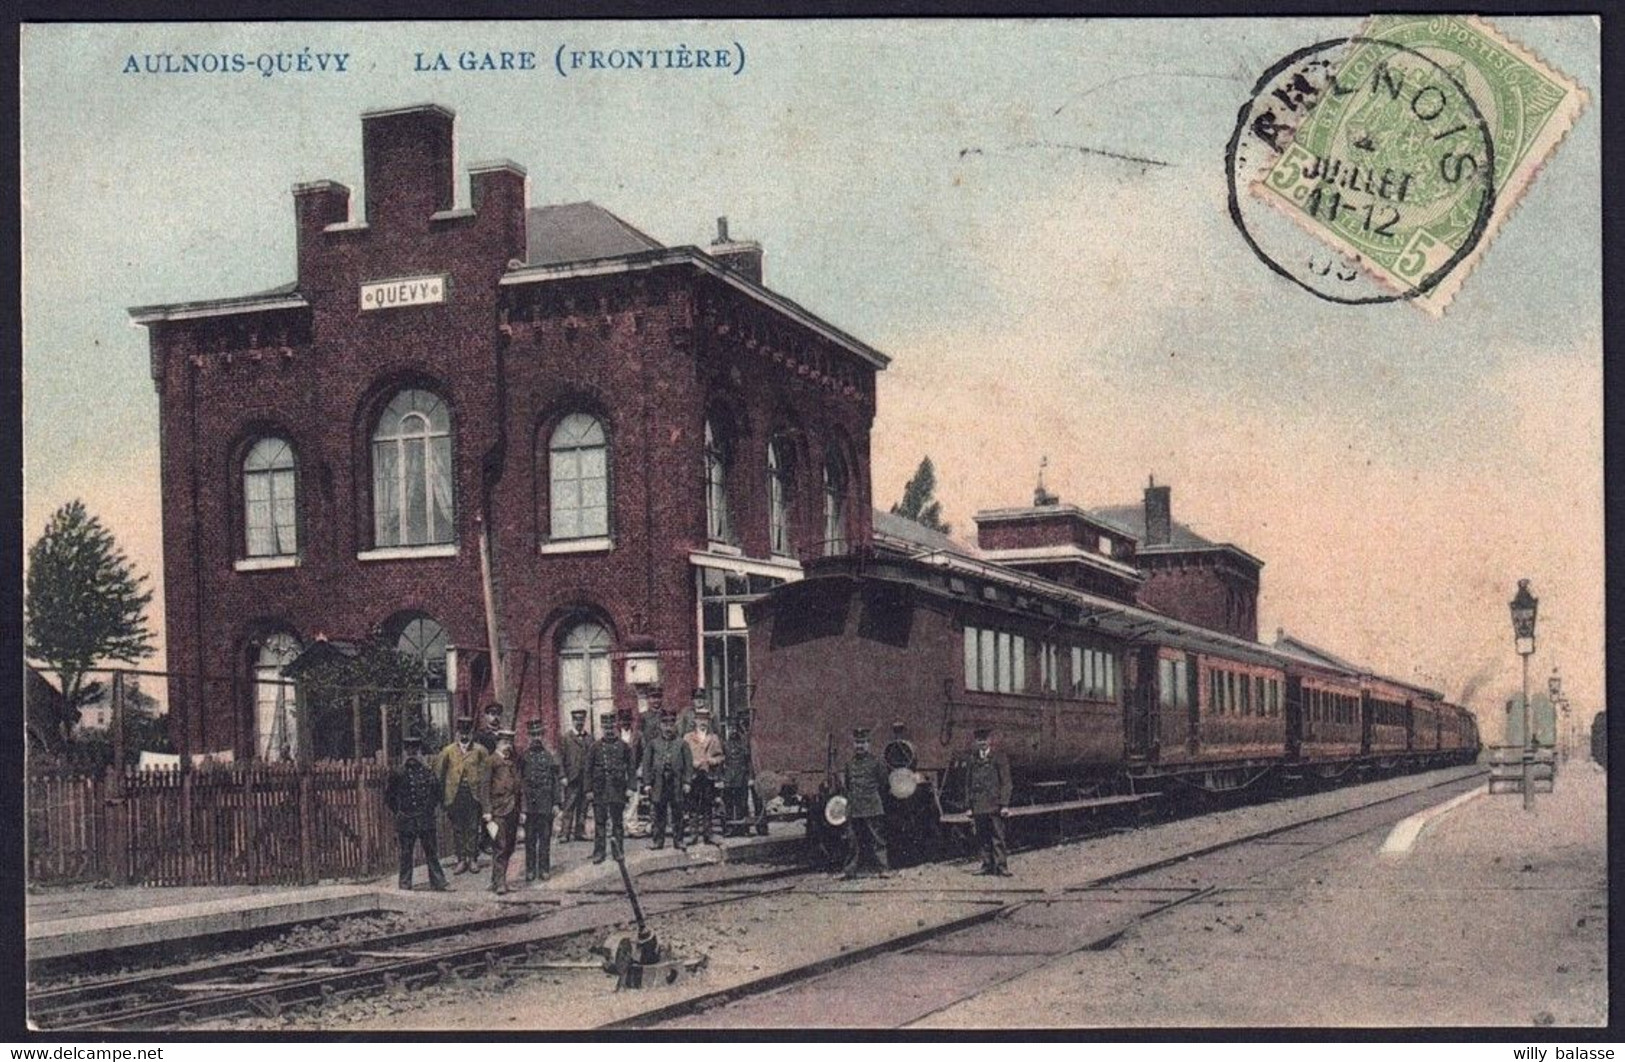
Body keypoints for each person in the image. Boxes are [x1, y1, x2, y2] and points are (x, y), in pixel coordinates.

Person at [384, 733, 450, 892]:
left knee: (432, 853)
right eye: (409, 750)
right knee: (406, 855)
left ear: (420, 751)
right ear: (405, 752)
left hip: (426, 819)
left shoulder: (428, 772)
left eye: (415, 750)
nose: (412, 753)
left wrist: (430, 809)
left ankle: (438, 882)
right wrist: (400, 812)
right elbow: (389, 797)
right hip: (406, 820)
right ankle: (405, 885)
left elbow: (437, 793)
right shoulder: (397, 773)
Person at [434, 716, 489, 874]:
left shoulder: (480, 750)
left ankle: (472, 859)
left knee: (472, 827)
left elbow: (486, 774)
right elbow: (439, 774)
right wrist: (441, 797)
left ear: (471, 733)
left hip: (473, 794)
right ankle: (460, 859)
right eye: (461, 732)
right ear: (457, 733)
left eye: (467, 732)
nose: (464, 736)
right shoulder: (448, 751)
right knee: (458, 828)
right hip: (455, 794)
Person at [840, 727, 891, 880]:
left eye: (863, 742)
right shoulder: (849, 764)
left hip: (872, 806)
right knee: (852, 840)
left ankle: (883, 869)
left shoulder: (876, 762)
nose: (859, 746)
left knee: (877, 839)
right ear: (853, 744)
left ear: (868, 744)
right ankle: (850, 870)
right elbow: (848, 785)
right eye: (857, 742)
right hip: (854, 807)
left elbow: (883, 783)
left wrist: (871, 797)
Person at [587, 710, 636, 864]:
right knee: (600, 822)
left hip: (617, 789)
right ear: (602, 728)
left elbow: (631, 767)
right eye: (606, 727)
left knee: (617, 822)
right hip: (600, 789)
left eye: (611, 727)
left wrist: (630, 787)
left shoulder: (623, 746)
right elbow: (587, 769)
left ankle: (618, 851)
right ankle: (599, 853)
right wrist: (588, 790)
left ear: (616, 727)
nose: (609, 730)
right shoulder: (595, 747)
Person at [966, 727, 1013, 877]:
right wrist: (968, 806)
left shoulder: (999, 757)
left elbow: (1006, 782)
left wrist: (1004, 804)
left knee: (998, 836)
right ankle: (986, 865)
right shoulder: (973, 759)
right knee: (983, 837)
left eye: (984, 740)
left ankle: (1001, 866)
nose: (982, 743)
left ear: (990, 741)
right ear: (976, 742)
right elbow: (968, 784)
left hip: (994, 804)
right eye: (979, 740)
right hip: (979, 805)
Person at [480, 729, 522, 893]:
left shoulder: (513, 762)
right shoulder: (491, 761)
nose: (508, 746)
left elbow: (520, 786)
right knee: (500, 845)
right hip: (497, 811)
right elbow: (484, 787)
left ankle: (496, 880)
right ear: (498, 743)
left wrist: (522, 809)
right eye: (505, 742)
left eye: (510, 743)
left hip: (513, 810)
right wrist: (487, 810)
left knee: (510, 846)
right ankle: (500, 884)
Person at [642, 713, 692, 850]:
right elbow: (646, 764)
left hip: (676, 783)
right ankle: (658, 841)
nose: (668, 728)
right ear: (660, 726)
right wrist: (647, 783)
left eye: (671, 725)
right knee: (659, 813)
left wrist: (687, 782)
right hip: (659, 783)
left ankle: (679, 840)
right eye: (665, 725)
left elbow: (688, 765)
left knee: (678, 813)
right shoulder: (653, 744)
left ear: (675, 726)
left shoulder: (682, 743)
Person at [520, 719, 561, 882]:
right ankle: (530, 869)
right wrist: (522, 807)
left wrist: (557, 803)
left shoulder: (549, 756)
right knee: (530, 840)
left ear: (542, 735)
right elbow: (521, 783)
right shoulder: (523, 757)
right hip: (530, 806)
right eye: (533, 735)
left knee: (545, 839)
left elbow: (555, 781)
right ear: (528, 736)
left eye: (538, 734)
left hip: (546, 805)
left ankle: (544, 869)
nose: (536, 738)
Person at [684, 707, 725, 844]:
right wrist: (692, 763)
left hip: (708, 776)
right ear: (695, 720)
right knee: (693, 806)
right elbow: (683, 757)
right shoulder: (688, 737)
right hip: (694, 776)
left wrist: (712, 760)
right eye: (700, 719)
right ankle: (693, 834)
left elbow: (720, 756)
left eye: (705, 720)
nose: (702, 722)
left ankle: (709, 834)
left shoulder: (713, 738)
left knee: (708, 805)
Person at [559, 708, 593, 843]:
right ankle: (564, 833)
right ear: (572, 721)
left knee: (583, 806)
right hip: (571, 778)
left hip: (585, 779)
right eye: (577, 719)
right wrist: (562, 776)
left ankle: (580, 832)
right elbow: (560, 759)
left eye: (581, 719)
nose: (579, 722)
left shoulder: (589, 738)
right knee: (569, 806)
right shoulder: (566, 738)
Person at [721, 722, 752, 835]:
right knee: (728, 804)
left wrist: (750, 777)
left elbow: (748, 760)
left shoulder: (744, 744)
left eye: (735, 728)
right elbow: (721, 761)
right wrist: (721, 778)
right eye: (730, 728)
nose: (733, 731)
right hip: (729, 778)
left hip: (742, 777)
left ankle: (743, 828)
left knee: (742, 803)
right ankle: (729, 828)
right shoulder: (724, 744)